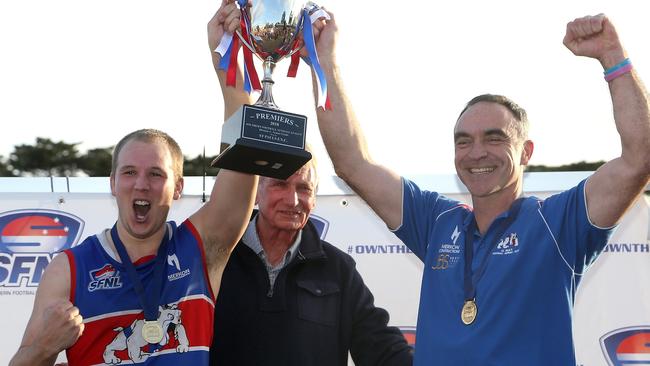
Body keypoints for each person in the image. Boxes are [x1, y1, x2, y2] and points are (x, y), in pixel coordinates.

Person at [311, 11, 650, 366]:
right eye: (463, 141)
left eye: (494, 138)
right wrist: (325, 64)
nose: (477, 153)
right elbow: (352, 163)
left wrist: (613, 58)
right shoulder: (437, 222)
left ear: (526, 152)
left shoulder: (558, 223)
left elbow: (638, 160)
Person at [9, 5, 258, 365]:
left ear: (177, 187)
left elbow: (242, 161)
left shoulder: (201, 246)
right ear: (112, 183)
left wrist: (227, 59)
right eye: (129, 173)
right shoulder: (69, 269)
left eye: (156, 174)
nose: (141, 184)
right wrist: (42, 348)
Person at [206, 3, 413, 365]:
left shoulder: (338, 270)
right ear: (254, 190)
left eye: (305, 188)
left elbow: (384, 352)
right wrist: (224, 53)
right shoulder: (215, 256)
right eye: (281, 185)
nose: (294, 199)